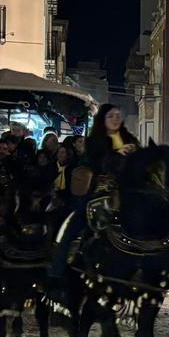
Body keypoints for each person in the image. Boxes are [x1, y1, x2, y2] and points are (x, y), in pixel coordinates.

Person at [47, 104, 139, 287]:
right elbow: (93, 164)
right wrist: (116, 155)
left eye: (117, 115)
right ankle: (56, 271)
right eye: (111, 116)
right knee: (73, 224)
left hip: (127, 192)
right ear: (103, 120)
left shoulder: (130, 139)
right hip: (98, 192)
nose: (115, 119)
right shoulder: (95, 141)